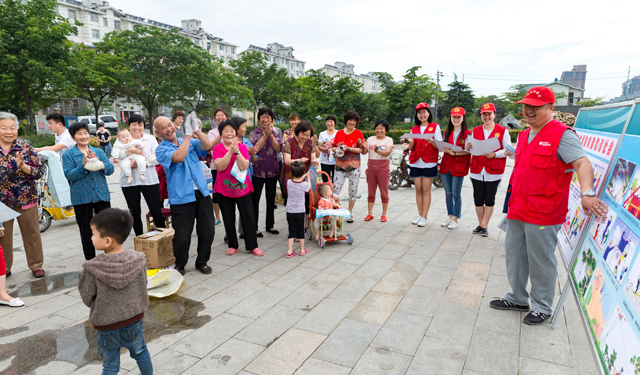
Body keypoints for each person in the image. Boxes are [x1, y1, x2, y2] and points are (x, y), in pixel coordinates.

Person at [490, 86, 606, 325]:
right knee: (515, 256)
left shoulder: (563, 135)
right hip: (518, 207)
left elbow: (583, 164)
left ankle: (542, 306)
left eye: (535, 106)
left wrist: (587, 192)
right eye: (525, 106)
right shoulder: (524, 135)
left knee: (541, 259)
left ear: (551, 108)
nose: (528, 111)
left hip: (544, 212)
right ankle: (518, 298)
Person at [78, 208, 153, 375]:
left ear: (107, 241)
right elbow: (143, 283)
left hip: (107, 325)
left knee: (110, 364)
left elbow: (87, 297)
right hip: (133, 319)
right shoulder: (138, 259)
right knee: (140, 352)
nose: (91, 237)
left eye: (93, 234)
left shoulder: (92, 268)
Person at [154, 113, 214, 275]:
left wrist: (197, 130)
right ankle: (180, 264)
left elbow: (207, 145)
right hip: (181, 197)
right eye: (163, 128)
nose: (168, 129)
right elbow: (179, 157)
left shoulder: (187, 141)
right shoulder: (161, 150)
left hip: (201, 192)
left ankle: (202, 261)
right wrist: (187, 134)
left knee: (208, 230)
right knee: (182, 236)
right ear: (158, 134)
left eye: (169, 125)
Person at [0, 112, 46, 278]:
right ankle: (4, 268)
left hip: (26, 198)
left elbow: (39, 172)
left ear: (17, 130)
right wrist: (11, 168)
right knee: (3, 236)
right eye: (4, 128)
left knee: (32, 232)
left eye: (12, 128)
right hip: (2, 202)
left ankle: (36, 265)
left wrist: (24, 167)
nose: (9, 131)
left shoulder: (25, 148)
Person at [63, 121, 114, 260]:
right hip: (81, 197)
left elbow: (110, 170)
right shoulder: (68, 155)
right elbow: (69, 175)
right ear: (73, 137)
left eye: (85, 133)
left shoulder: (98, 151)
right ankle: (90, 259)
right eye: (79, 134)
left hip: (101, 194)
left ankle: (109, 257)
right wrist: (83, 165)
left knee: (106, 228)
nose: (83, 136)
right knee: (86, 230)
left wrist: (100, 164)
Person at [212, 118, 263, 257]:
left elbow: (245, 166)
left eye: (232, 131)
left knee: (248, 217)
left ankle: (252, 245)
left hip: (242, 188)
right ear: (221, 133)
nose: (229, 134)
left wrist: (237, 151)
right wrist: (229, 151)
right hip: (224, 189)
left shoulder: (242, 147)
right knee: (228, 218)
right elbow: (220, 166)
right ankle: (233, 245)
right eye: (225, 131)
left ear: (236, 133)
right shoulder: (217, 148)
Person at [114, 115, 165, 236]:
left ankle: (163, 239)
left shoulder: (150, 139)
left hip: (149, 180)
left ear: (144, 126)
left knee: (156, 210)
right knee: (134, 213)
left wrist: (142, 163)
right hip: (129, 182)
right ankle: (140, 239)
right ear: (129, 126)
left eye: (140, 124)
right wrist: (131, 151)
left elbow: (158, 158)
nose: (137, 127)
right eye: (134, 125)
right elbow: (117, 154)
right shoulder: (122, 138)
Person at [466, 103, 512, 237]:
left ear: (494, 115)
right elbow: (471, 149)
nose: (487, 117)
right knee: (478, 199)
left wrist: (495, 154)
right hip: (477, 170)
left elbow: (508, 150)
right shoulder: (476, 130)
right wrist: (468, 147)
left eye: (489, 114)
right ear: (481, 116)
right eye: (484, 114)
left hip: (493, 170)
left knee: (489, 199)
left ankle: (485, 224)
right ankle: (480, 223)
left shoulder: (503, 131)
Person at [405, 103, 443, 227]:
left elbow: (439, 146)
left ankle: (425, 217)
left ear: (428, 113)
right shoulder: (414, 129)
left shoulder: (435, 127)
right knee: (418, 190)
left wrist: (432, 141)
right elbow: (411, 148)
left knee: (426, 191)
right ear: (417, 115)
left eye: (424, 112)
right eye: (419, 113)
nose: (422, 115)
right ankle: (420, 215)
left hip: (429, 162)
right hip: (416, 161)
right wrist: (410, 142)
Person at [250, 107, 281, 236]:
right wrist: (265, 135)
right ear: (259, 119)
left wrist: (271, 135)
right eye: (263, 117)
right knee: (255, 200)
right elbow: (255, 149)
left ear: (272, 120)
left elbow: (278, 148)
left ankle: (270, 225)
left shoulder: (277, 133)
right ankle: (254, 227)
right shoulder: (254, 133)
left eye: (268, 117)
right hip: (257, 170)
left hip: (272, 170)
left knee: (270, 199)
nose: (265, 119)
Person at [440, 107, 472, 230]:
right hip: (446, 165)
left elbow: (468, 152)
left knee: (456, 194)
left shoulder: (468, 134)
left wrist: (454, 153)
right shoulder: (447, 132)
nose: (456, 119)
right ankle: (450, 216)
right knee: (448, 194)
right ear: (451, 118)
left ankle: (455, 218)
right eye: (454, 117)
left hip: (459, 165)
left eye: (459, 117)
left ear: (463, 118)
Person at [332, 110, 365, 223]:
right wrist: (337, 149)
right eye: (350, 120)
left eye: (354, 121)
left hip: (354, 166)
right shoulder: (339, 133)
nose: (352, 123)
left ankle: (350, 213)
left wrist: (349, 148)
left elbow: (361, 149)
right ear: (346, 121)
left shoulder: (359, 133)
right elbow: (333, 147)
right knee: (335, 189)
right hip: (340, 165)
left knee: (353, 190)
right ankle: (334, 211)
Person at [282, 121, 319, 206]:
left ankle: (305, 219)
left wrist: (314, 161)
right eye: (303, 134)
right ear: (297, 132)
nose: (305, 137)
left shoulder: (310, 143)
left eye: (308, 135)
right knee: (292, 201)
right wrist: (299, 160)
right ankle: (293, 217)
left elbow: (313, 157)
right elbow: (287, 161)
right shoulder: (289, 143)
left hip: (306, 175)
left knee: (306, 201)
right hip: (292, 176)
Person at [364, 120, 394, 222]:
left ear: (386, 130)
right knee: (371, 192)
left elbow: (387, 152)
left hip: (383, 169)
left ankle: (384, 214)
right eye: (377, 128)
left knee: (384, 192)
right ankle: (370, 213)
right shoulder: (370, 139)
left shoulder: (388, 140)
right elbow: (364, 152)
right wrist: (363, 146)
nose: (379, 130)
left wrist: (378, 151)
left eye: (381, 128)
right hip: (371, 169)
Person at [235, 118, 258, 239]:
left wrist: (252, 154)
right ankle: (229, 233)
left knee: (246, 207)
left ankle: (244, 231)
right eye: (243, 126)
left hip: (246, 178)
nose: (245, 129)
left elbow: (254, 160)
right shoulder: (229, 142)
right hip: (233, 180)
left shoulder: (247, 142)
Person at [207, 108, 230, 226]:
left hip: (230, 165)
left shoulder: (231, 131)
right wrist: (221, 134)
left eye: (222, 115)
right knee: (216, 192)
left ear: (226, 117)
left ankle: (231, 216)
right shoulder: (212, 132)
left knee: (229, 190)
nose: (220, 117)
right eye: (217, 116)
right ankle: (217, 216)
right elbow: (211, 146)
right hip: (216, 166)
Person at [286, 161, 310, 258]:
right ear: (303, 172)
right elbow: (309, 187)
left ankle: (289, 250)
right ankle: (302, 249)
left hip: (290, 211)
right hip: (300, 211)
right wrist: (308, 177)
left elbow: (297, 180)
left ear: (291, 173)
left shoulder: (289, 183)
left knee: (292, 230)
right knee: (300, 230)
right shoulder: (304, 185)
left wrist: (304, 175)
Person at [318, 115, 338, 183]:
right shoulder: (322, 134)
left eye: (331, 121)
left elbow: (342, 145)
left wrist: (336, 149)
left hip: (336, 161)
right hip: (325, 161)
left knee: (336, 181)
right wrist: (326, 150)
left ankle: (334, 194)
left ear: (334, 123)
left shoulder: (338, 133)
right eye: (327, 121)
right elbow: (319, 146)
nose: (329, 123)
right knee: (326, 181)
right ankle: (326, 193)